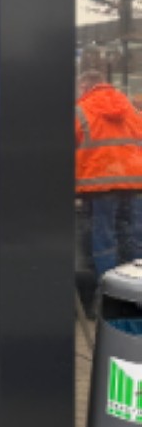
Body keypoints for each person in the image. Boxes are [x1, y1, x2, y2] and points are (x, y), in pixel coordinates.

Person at [76, 71, 142, 284]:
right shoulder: (130, 109)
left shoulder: (81, 110)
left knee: (104, 237)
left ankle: (108, 287)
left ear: (85, 87)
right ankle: (133, 287)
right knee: (132, 236)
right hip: (134, 182)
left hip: (98, 184)